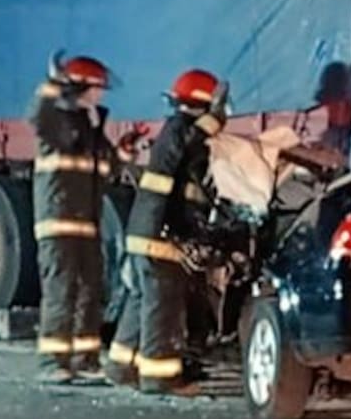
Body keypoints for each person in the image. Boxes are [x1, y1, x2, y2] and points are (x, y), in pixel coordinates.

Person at [105, 68, 228, 394]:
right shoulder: (181, 131)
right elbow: (190, 144)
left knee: (141, 300)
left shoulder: (174, 131)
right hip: (161, 235)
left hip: (145, 230)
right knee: (164, 306)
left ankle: (121, 367)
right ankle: (160, 378)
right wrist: (214, 121)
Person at [29, 50, 144, 384]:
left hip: (87, 225)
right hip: (58, 224)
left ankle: (85, 359)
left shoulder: (88, 126)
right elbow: (37, 115)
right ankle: (52, 362)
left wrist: (123, 151)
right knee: (61, 291)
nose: (100, 95)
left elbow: (104, 169)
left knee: (89, 291)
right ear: (80, 88)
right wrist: (53, 83)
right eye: (96, 88)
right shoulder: (56, 122)